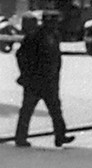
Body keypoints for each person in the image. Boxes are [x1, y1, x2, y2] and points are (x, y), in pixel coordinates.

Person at [14, 13, 74, 148]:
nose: (55, 24)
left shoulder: (54, 36)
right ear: (46, 22)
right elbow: (20, 55)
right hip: (35, 81)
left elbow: (55, 59)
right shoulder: (34, 36)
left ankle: (60, 136)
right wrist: (26, 74)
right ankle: (20, 138)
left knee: (55, 110)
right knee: (27, 110)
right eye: (52, 22)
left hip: (49, 82)